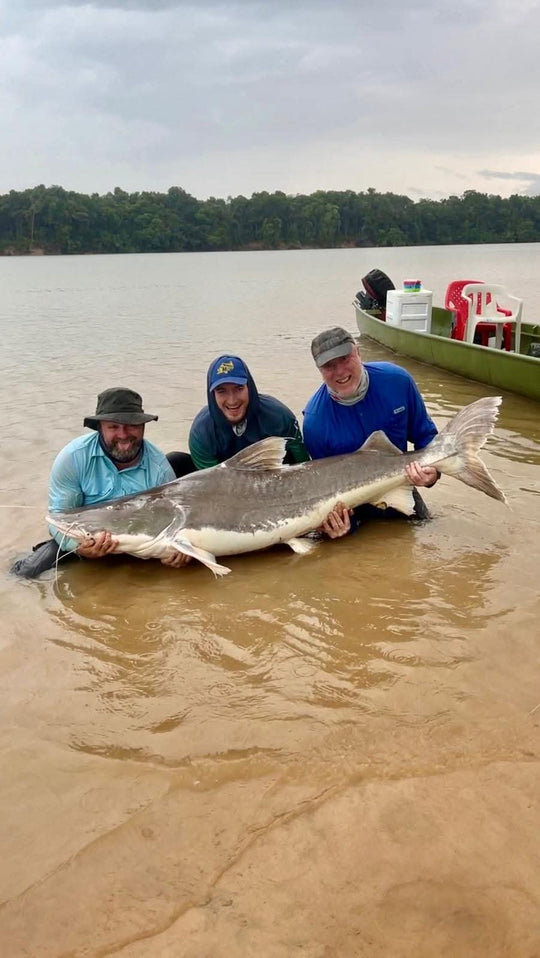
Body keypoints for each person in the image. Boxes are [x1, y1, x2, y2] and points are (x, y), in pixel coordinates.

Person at [11, 387, 190, 578]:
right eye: (113, 427)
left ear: (143, 427)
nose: (123, 435)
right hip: (86, 538)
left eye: (132, 426)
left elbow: (172, 525)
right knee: (24, 573)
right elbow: (58, 518)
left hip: (138, 544)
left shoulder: (160, 470)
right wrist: (79, 548)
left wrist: (177, 553)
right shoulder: (73, 458)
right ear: (100, 428)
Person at [303, 327, 440, 538]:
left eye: (345, 359)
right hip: (355, 511)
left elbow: (427, 438)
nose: (340, 372)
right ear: (319, 369)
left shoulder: (398, 381)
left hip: (399, 487)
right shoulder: (315, 422)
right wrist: (336, 526)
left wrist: (433, 474)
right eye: (329, 366)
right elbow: (324, 492)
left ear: (358, 353)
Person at [188, 354, 310, 469]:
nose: (232, 401)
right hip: (228, 479)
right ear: (212, 395)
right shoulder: (201, 433)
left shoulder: (279, 416)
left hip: (279, 474)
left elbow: (305, 467)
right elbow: (212, 482)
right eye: (221, 391)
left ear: (250, 388)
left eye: (239, 388)